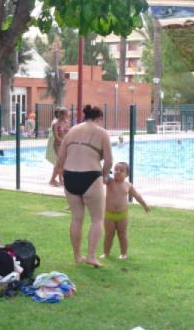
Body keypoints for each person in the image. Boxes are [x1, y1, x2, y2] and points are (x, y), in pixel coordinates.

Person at [57, 104, 113, 268]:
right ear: (99, 118)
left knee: (76, 218)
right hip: (90, 175)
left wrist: (62, 173)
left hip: (70, 175)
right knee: (97, 219)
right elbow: (109, 161)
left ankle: (77, 256)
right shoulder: (101, 132)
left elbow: (61, 156)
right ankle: (91, 257)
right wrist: (103, 175)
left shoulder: (73, 130)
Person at [102, 162, 149, 260]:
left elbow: (137, 196)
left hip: (122, 215)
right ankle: (106, 253)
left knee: (122, 234)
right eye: (116, 169)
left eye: (121, 170)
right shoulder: (109, 182)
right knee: (108, 235)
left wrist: (144, 205)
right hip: (109, 214)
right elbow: (101, 178)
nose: (117, 172)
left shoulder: (128, 185)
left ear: (127, 174)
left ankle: (123, 253)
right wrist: (105, 170)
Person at [46, 107, 70, 187]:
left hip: (65, 145)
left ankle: (60, 179)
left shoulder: (67, 123)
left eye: (67, 114)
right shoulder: (55, 124)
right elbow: (56, 137)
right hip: (58, 145)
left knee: (62, 163)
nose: (67, 115)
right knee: (60, 162)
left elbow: (68, 134)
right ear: (61, 114)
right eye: (65, 114)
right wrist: (64, 143)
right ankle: (52, 180)